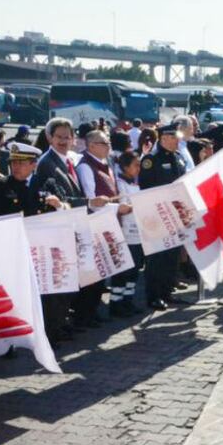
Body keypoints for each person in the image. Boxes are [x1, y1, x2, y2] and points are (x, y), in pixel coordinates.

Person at [33, 118, 110, 339]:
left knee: (67, 283)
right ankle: (52, 330)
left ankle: (61, 323)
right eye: (59, 137)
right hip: (55, 231)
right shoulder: (47, 163)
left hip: (69, 227)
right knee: (56, 285)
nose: (64, 141)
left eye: (68, 137)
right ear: (49, 138)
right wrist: (89, 203)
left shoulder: (66, 161)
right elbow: (58, 198)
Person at [76, 129, 130, 325]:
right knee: (93, 272)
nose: (108, 146)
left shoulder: (106, 163)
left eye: (108, 142)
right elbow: (92, 201)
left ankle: (93, 309)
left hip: (108, 223)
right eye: (103, 143)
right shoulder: (85, 167)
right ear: (91, 146)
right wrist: (117, 207)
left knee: (102, 272)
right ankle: (85, 313)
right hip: (94, 225)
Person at [138, 123, 188, 311]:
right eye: (174, 137)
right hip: (157, 216)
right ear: (164, 138)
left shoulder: (178, 157)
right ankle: (154, 296)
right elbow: (145, 188)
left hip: (175, 215)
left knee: (172, 255)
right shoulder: (151, 160)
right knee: (157, 258)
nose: (178, 141)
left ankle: (167, 291)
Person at [0, 143, 65, 218]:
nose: (16, 167)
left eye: (21, 163)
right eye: (13, 162)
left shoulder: (47, 183)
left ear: (34, 165)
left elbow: (66, 209)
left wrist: (59, 205)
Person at [113, 151, 145, 317]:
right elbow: (123, 207)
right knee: (124, 270)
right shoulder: (120, 183)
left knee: (134, 269)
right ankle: (116, 302)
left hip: (138, 232)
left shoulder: (134, 183)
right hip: (126, 232)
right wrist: (139, 204)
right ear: (125, 167)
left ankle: (127, 300)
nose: (138, 168)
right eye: (135, 165)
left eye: (139, 165)